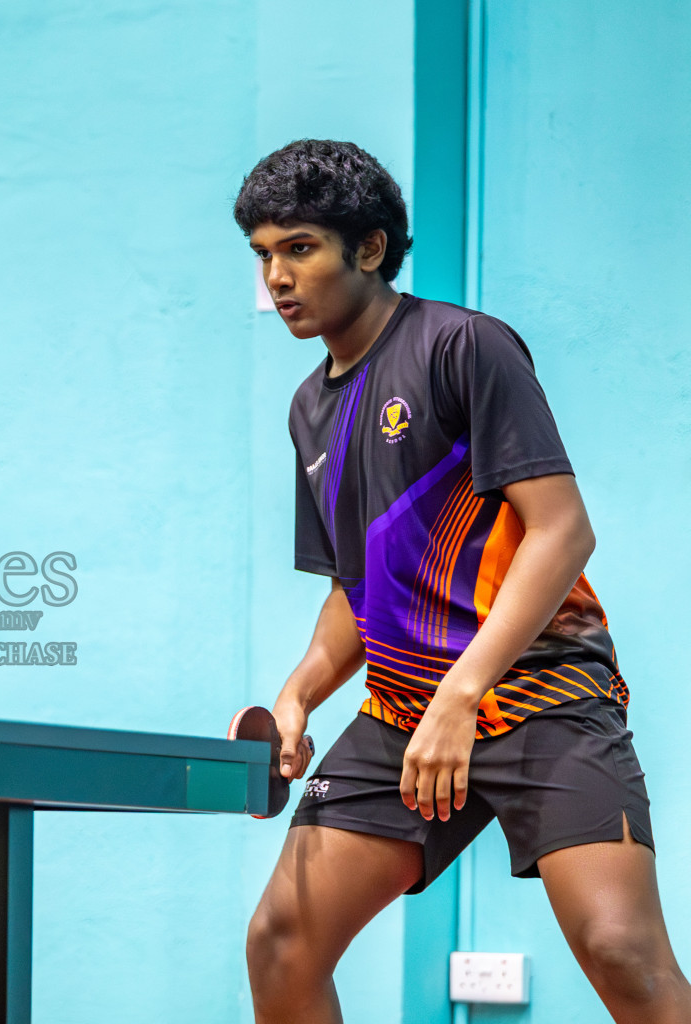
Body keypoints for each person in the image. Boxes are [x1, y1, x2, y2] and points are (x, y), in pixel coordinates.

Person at [237, 139, 691, 1023]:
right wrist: (297, 695)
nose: (278, 277)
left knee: (621, 951)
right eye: (263, 255)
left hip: (542, 694)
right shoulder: (309, 408)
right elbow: (351, 591)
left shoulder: (463, 347)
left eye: (300, 248)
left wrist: (464, 694)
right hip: (405, 714)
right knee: (282, 941)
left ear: (368, 249)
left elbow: (563, 533)